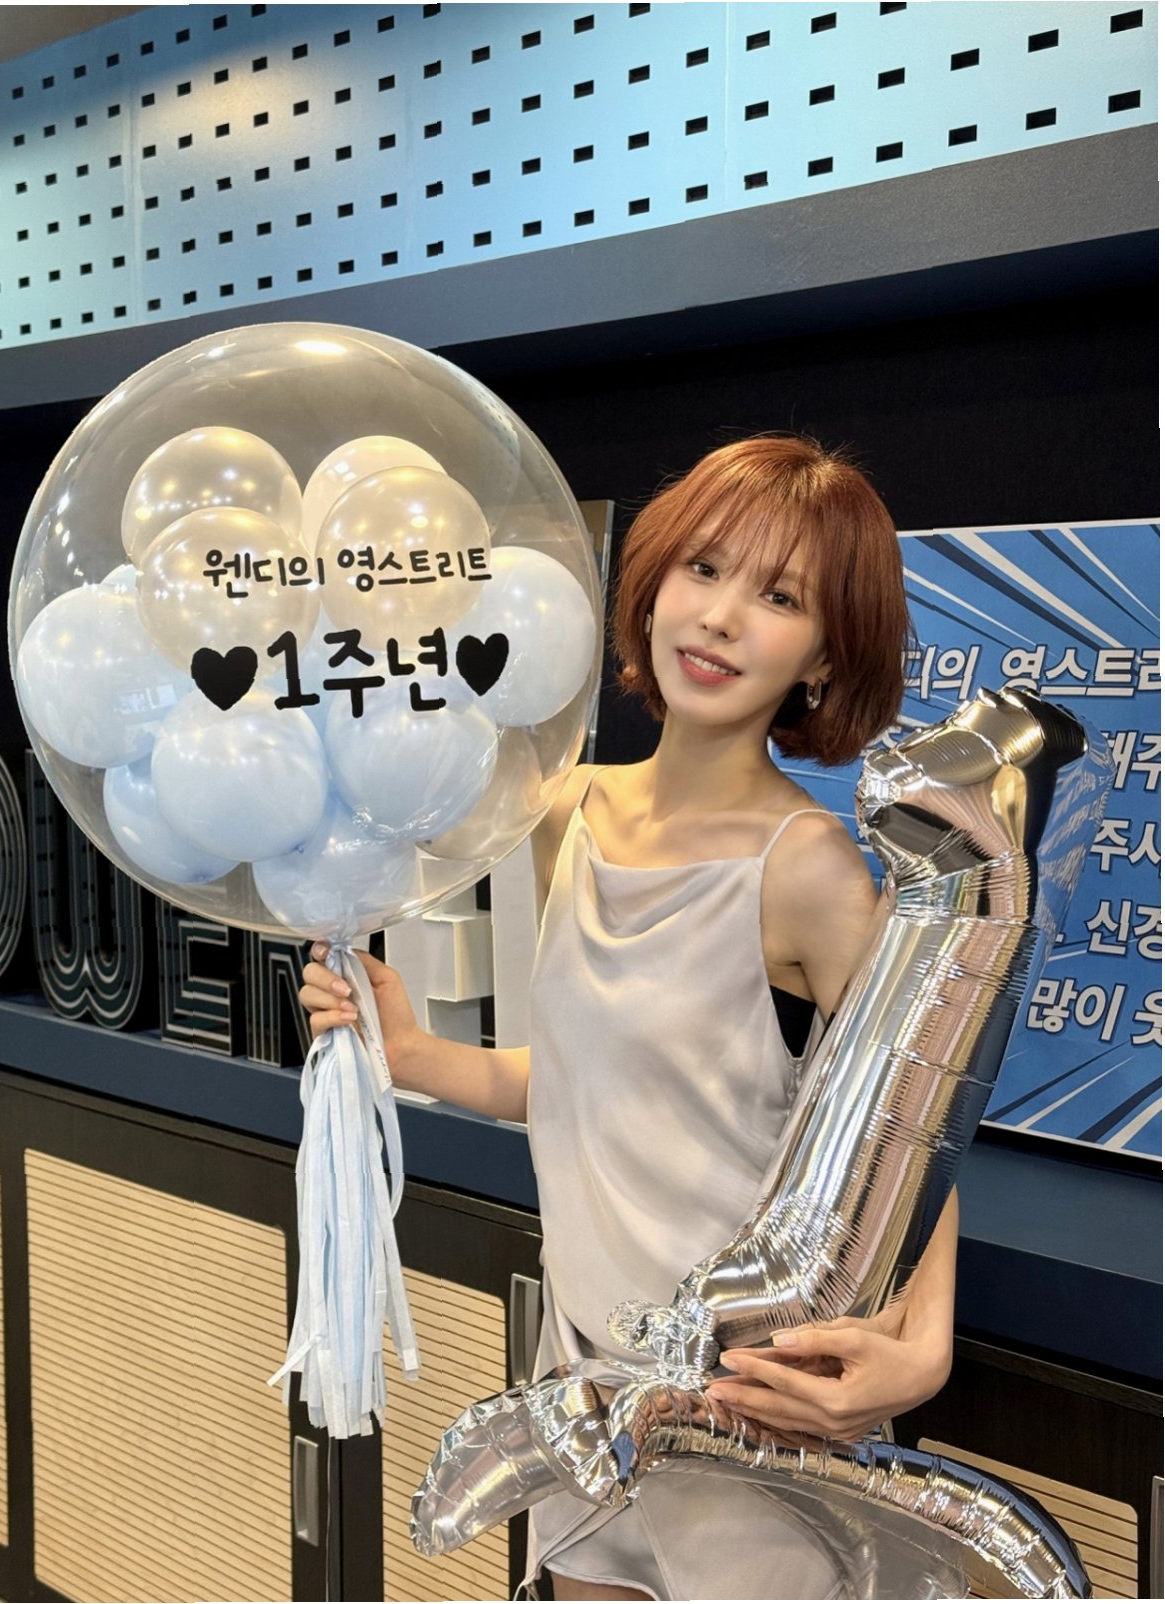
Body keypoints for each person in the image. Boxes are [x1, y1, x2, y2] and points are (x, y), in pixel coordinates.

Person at [299, 435, 958, 1601]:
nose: (720, 616)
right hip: (586, 1384)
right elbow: (579, 1083)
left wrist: (922, 1340)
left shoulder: (804, 867)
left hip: (748, 1396)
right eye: (703, 568)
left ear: (821, 654)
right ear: (650, 586)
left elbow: (913, 1120)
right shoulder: (566, 812)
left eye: (779, 596)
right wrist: (410, 1054)